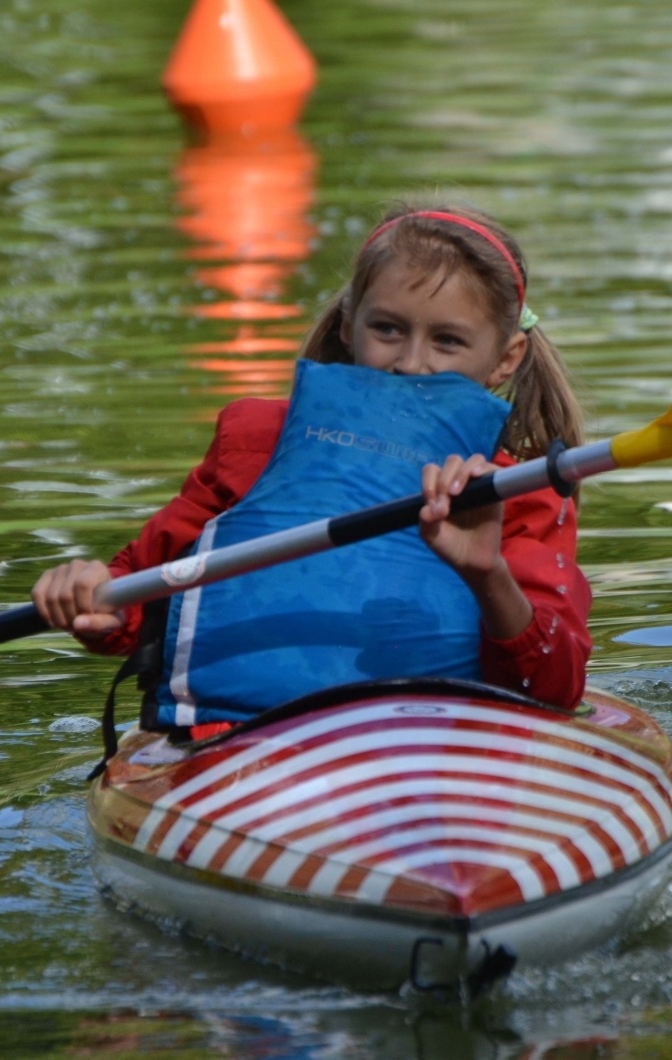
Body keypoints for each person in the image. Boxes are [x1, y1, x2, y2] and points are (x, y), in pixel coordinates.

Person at [32, 205, 593, 726]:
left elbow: (554, 687)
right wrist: (91, 595)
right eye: (387, 329)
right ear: (350, 325)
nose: (409, 363)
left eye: (447, 341)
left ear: (505, 358)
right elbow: (136, 597)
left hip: (432, 745)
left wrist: (487, 574)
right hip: (235, 738)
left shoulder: (519, 493)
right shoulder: (254, 441)